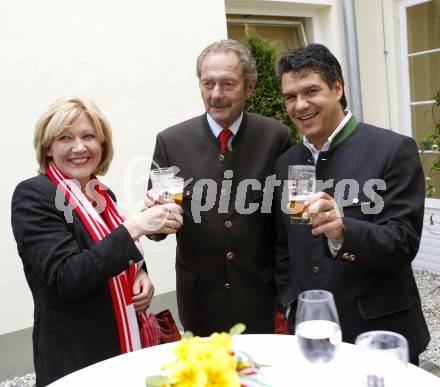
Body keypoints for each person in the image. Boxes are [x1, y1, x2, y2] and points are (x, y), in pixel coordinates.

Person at [273, 43, 430, 364]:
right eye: (290, 96)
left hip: (379, 336)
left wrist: (345, 231)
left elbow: (403, 242)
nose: (300, 105)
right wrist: (290, 303)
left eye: (311, 91)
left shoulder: (392, 150)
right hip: (312, 334)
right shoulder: (285, 163)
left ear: (338, 88)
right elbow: (282, 245)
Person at [11, 97, 183, 386]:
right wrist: (136, 227)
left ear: (102, 144)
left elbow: (115, 252)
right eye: (65, 137)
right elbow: (66, 277)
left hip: (126, 345)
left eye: (88, 136)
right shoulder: (33, 196)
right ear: (48, 146)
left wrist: (141, 274)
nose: (79, 147)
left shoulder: (102, 194)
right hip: (79, 358)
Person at [147, 39, 291, 336]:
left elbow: (285, 223)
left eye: (227, 84)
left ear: (249, 87)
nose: (216, 94)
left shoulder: (275, 136)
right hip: (200, 300)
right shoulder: (170, 142)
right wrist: (154, 220)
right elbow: (158, 229)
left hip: (261, 298)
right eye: (207, 83)